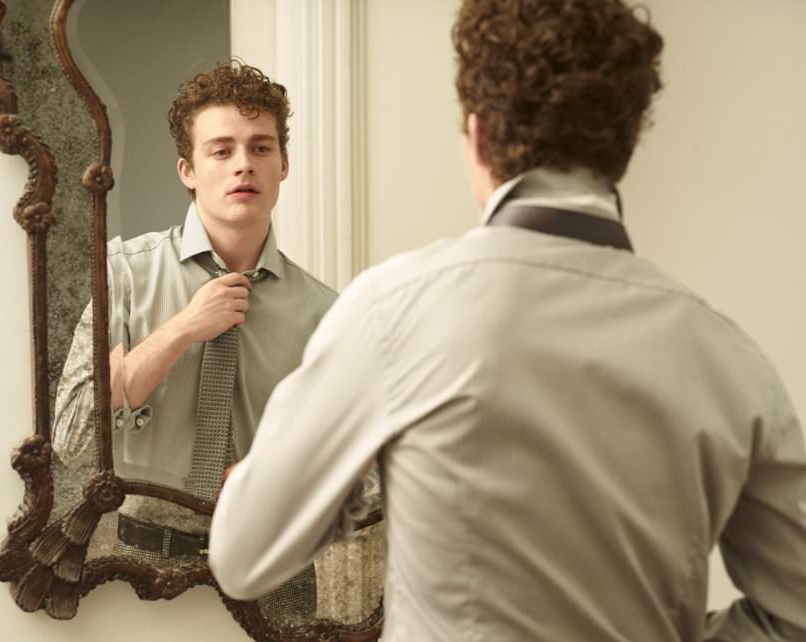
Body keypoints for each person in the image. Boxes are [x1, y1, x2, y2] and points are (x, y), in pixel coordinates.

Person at [208, 1, 806, 640]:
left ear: (480, 134)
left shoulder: (394, 311)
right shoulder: (726, 355)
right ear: (622, 147)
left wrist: (331, 477)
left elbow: (242, 557)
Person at [52, 60, 336, 621]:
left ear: (283, 165)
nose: (243, 164)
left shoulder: (325, 311)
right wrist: (181, 329)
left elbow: (355, 464)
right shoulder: (123, 275)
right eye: (221, 150)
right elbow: (71, 438)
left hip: (277, 572)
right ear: (188, 169)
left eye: (260, 148)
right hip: (141, 566)